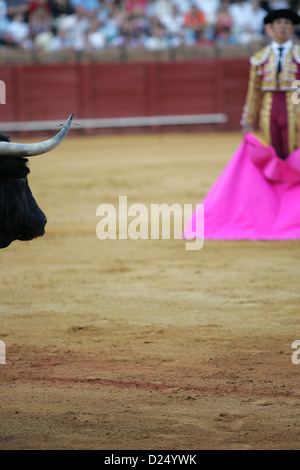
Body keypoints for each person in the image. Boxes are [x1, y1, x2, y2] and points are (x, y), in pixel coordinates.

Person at [183, 8, 300, 241]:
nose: (284, 26)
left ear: (292, 27)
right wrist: (247, 121)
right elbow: (254, 93)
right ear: (270, 28)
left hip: (295, 113)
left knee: (294, 158)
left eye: (288, 22)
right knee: (274, 159)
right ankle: (275, 211)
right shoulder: (260, 58)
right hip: (269, 112)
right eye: (279, 23)